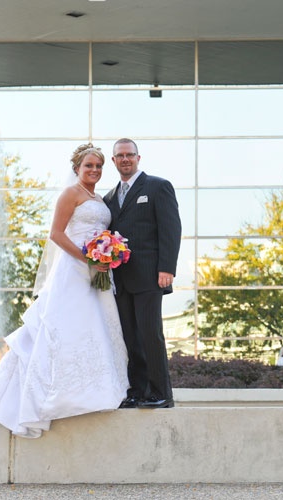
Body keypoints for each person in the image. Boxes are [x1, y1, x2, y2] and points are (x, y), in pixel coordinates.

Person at [0, 144, 129, 438]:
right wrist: (87, 258)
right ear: (77, 168)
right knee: (67, 328)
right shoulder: (70, 194)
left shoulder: (99, 198)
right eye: (89, 165)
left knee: (97, 328)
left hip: (98, 272)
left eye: (98, 166)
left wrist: (105, 255)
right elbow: (56, 234)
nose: (94, 170)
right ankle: (53, 396)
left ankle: (97, 390)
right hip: (74, 271)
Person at [104, 138, 181, 409]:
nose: (125, 159)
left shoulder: (158, 187)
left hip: (149, 276)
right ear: (113, 161)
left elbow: (171, 229)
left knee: (150, 334)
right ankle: (138, 392)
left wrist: (166, 268)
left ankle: (162, 393)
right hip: (121, 279)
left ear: (138, 158)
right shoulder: (109, 198)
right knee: (131, 338)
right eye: (120, 155)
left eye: (130, 154)